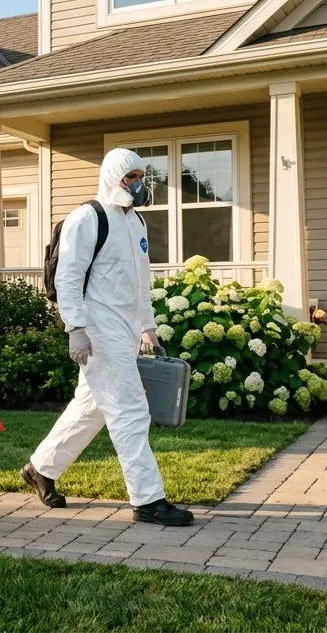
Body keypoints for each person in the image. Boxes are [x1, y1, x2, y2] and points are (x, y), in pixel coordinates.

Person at [20, 148, 194, 527]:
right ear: (113, 176)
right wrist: (76, 329)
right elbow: (67, 276)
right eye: (130, 177)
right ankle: (148, 500)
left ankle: (41, 468)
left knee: (91, 408)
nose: (138, 184)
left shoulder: (136, 223)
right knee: (131, 411)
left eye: (140, 176)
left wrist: (147, 326)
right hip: (99, 332)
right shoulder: (89, 217)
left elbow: (140, 281)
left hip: (126, 330)